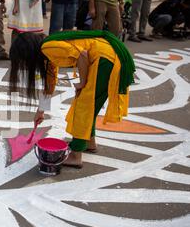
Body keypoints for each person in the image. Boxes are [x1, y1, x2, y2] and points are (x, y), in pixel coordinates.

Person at [9, 30, 135, 168]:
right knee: (88, 105)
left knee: (84, 106)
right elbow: (50, 83)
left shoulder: (48, 47)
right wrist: (41, 111)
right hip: (107, 58)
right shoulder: (48, 51)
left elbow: (82, 55)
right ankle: (88, 142)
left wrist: (82, 82)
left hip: (106, 61)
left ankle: (75, 155)